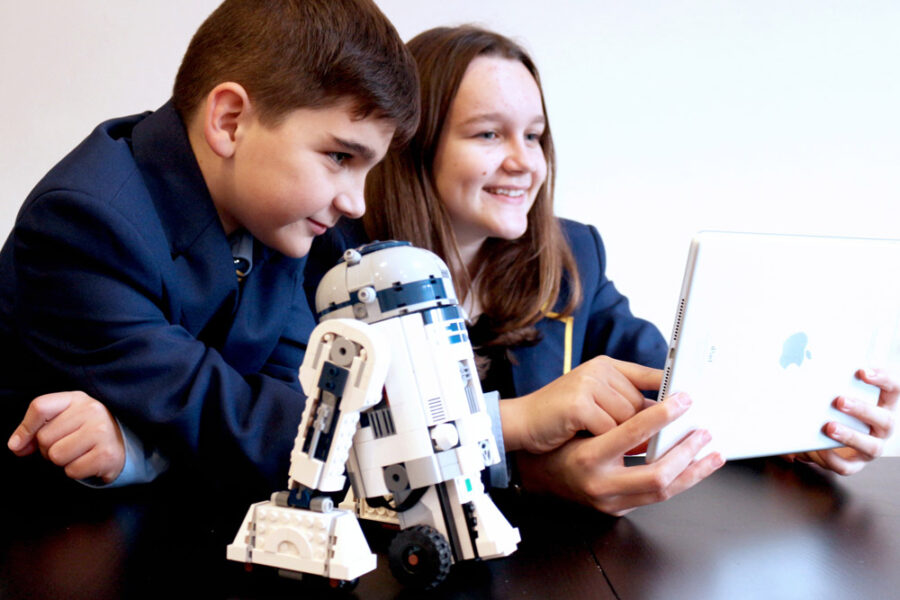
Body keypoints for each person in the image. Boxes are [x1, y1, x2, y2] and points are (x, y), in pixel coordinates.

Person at [306, 25, 899, 515]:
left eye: (534, 136)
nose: (523, 162)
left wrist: (795, 434)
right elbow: (322, 449)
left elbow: (673, 385)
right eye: (489, 134)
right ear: (415, 144)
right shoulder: (333, 262)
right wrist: (534, 470)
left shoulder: (573, 255)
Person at [0, 0, 420, 495]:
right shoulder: (82, 224)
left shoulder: (273, 219)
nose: (356, 202)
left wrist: (141, 443)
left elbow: (299, 402)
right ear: (229, 121)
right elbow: (256, 430)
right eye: (339, 156)